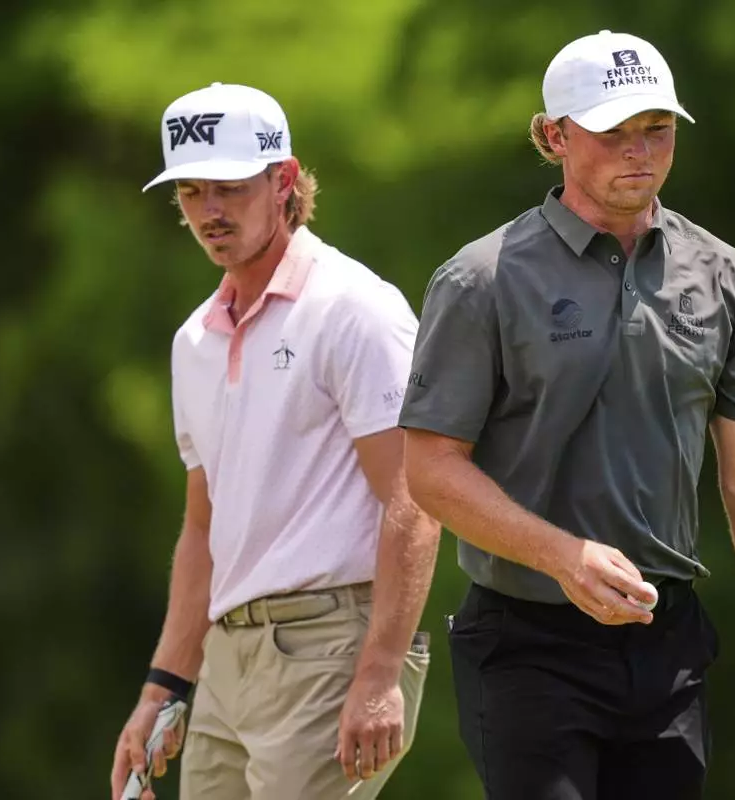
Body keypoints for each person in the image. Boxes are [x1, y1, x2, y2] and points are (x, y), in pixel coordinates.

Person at [398, 30, 735, 799]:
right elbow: (430, 470)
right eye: (612, 131)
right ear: (553, 136)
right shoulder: (480, 279)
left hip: (667, 641)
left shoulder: (724, 275)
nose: (640, 151)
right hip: (526, 639)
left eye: (657, 129)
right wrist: (564, 557)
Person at [109, 82, 440, 800]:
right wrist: (163, 687)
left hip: (333, 645)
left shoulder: (353, 308)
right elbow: (204, 529)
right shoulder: (194, 341)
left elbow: (413, 497)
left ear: (284, 181)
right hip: (227, 660)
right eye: (191, 192)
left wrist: (381, 671)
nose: (209, 212)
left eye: (229, 188)